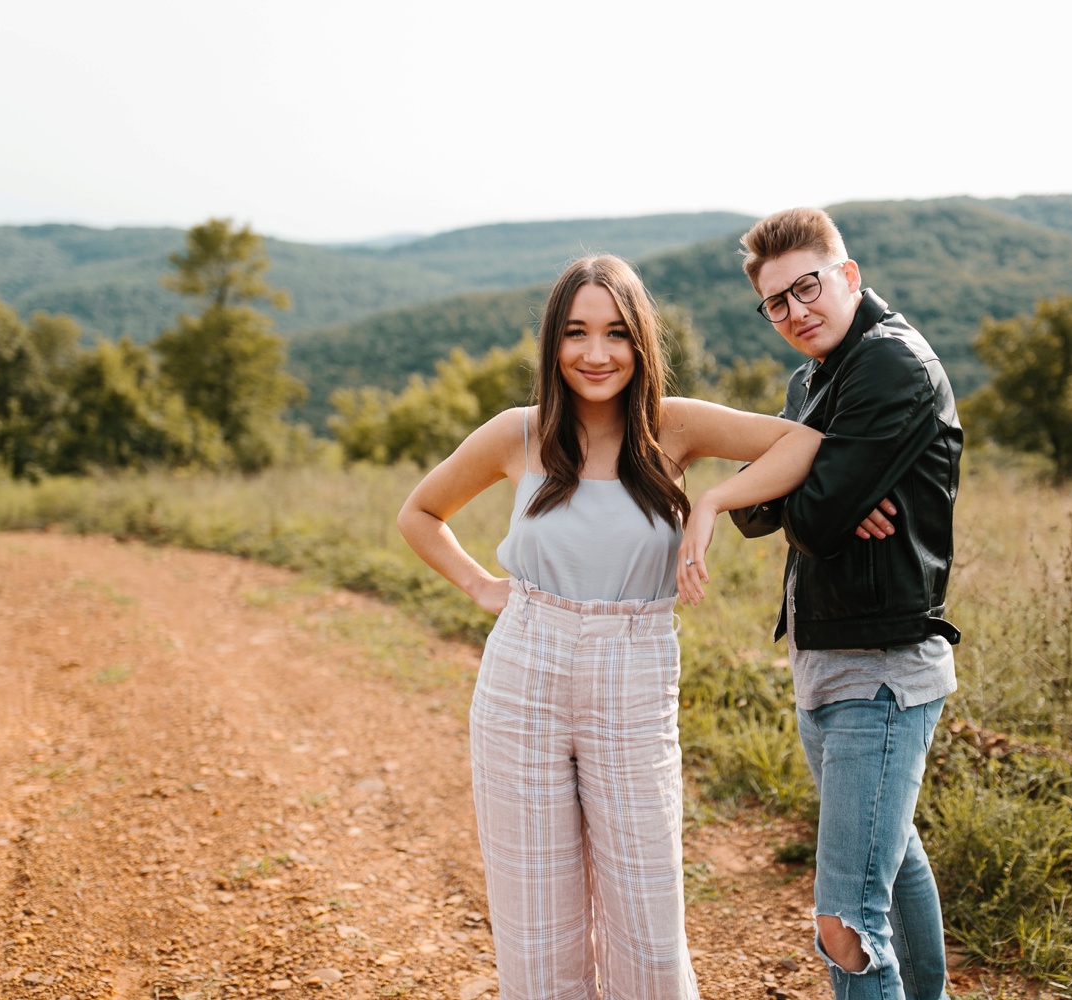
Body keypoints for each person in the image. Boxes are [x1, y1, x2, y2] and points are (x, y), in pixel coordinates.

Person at [397, 254, 821, 1000]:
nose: (596, 354)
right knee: (535, 927)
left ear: (641, 343)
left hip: (634, 673)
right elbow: (419, 514)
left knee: (648, 922)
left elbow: (803, 442)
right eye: (577, 333)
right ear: (553, 345)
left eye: (617, 334)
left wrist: (711, 502)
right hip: (522, 672)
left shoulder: (674, 425)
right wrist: (482, 586)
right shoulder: (516, 434)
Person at [730, 208, 963, 1000]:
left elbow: (812, 515)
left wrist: (808, 483)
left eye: (809, 287)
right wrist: (819, 483)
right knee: (893, 865)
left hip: (882, 666)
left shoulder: (890, 364)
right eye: (777, 301)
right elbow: (750, 510)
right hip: (826, 654)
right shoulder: (813, 377)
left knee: (844, 918)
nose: (796, 311)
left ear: (848, 276)